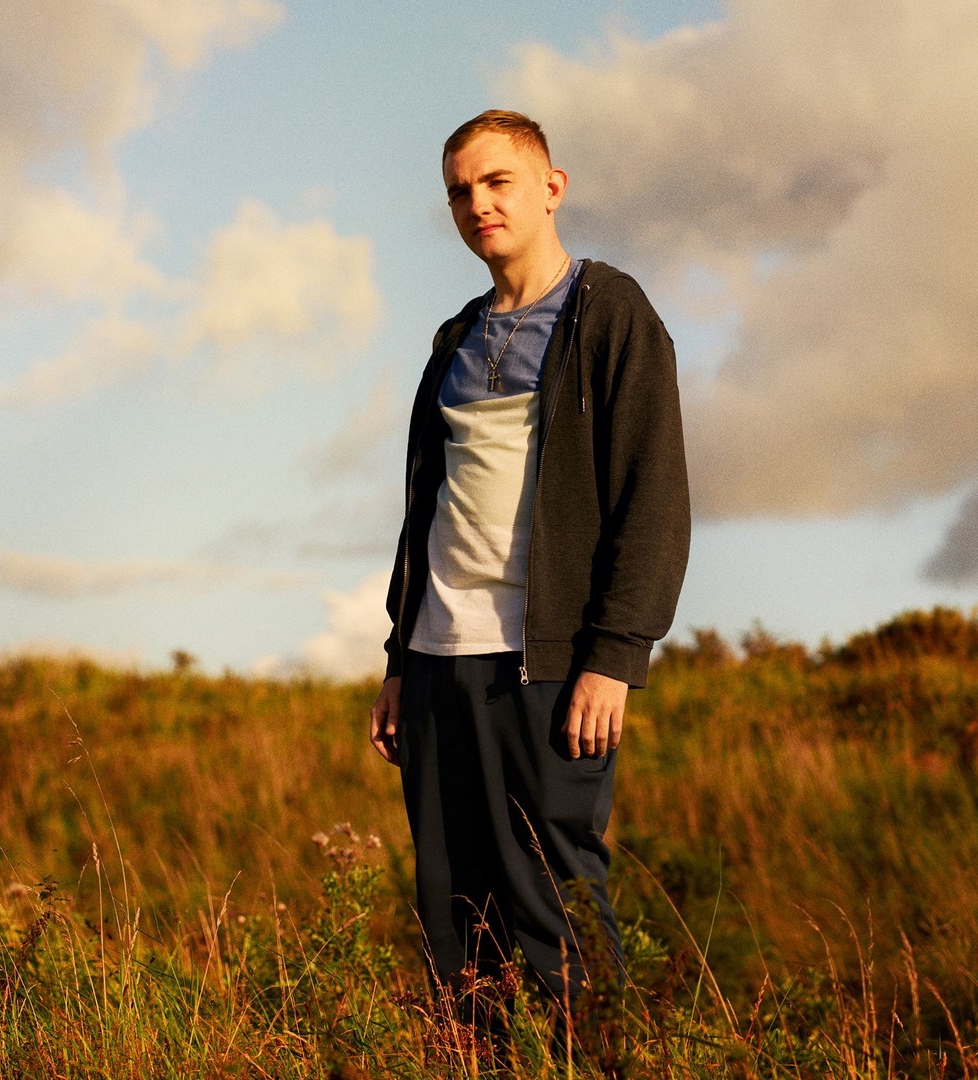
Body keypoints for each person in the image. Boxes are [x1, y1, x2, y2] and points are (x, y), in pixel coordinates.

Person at [368, 110, 691, 1022]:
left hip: (546, 665)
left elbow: (655, 499)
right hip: (437, 664)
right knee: (454, 923)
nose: (477, 205)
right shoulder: (454, 340)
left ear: (551, 186)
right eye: (460, 192)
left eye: (496, 181)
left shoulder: (610, 312)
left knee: (557, 913)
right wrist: (399, 659)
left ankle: (592, 1058)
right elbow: (424, 510)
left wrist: (614, 657)